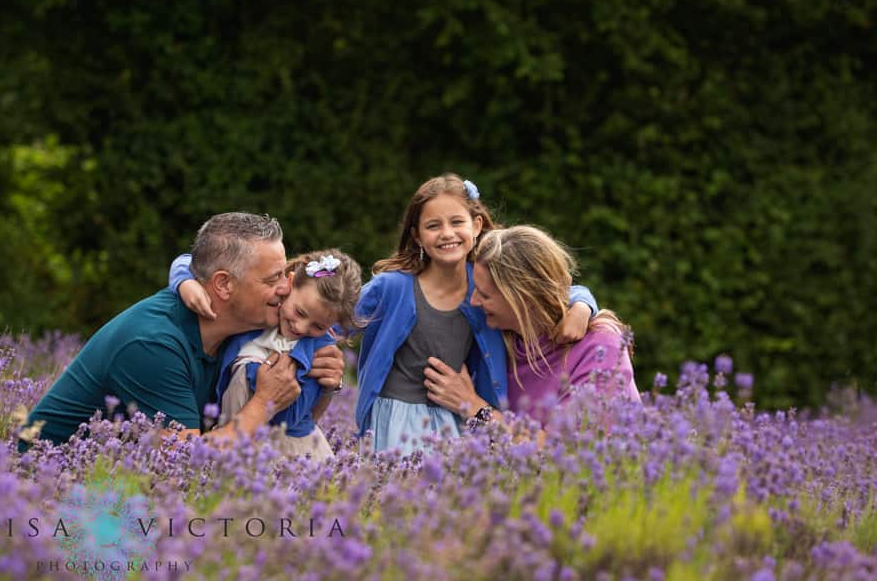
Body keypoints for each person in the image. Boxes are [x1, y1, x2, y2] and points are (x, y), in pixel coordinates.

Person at [19, 213, 344, 449]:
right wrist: (264, 402)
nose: (287, 288)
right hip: (46, 492)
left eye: (286, 275)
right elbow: (187, 462)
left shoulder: (241, 333)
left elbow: (295, 427)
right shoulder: (152, 345)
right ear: (223, 285)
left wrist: (324, 386)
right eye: (272, 279)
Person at [355, 175, 598, 455]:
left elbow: (541, 287)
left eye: (457, 222)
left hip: (456, 419)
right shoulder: (393, 286)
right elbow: (336, 316)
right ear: (417, 236)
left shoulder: (485, 281)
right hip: (394, 419)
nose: (447, 233)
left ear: (477, 225)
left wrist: (582, 304)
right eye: (433, 226)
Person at [422, 225, 640, 428]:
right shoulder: (497, 336)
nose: (474, 302)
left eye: (485, 295)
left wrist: (472, 407)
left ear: (521, 298)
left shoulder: (600, 349)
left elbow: (565, 451)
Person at [170, 249, 364, 461]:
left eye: (318, 326)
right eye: (299, 312)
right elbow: (193, 261)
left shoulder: (318, 349)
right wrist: (184, 282)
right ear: (289, 284)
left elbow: (291, 418)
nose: (300, 327)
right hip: (231, 435)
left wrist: (259, 375)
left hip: (283, 452)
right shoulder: (264, 312)